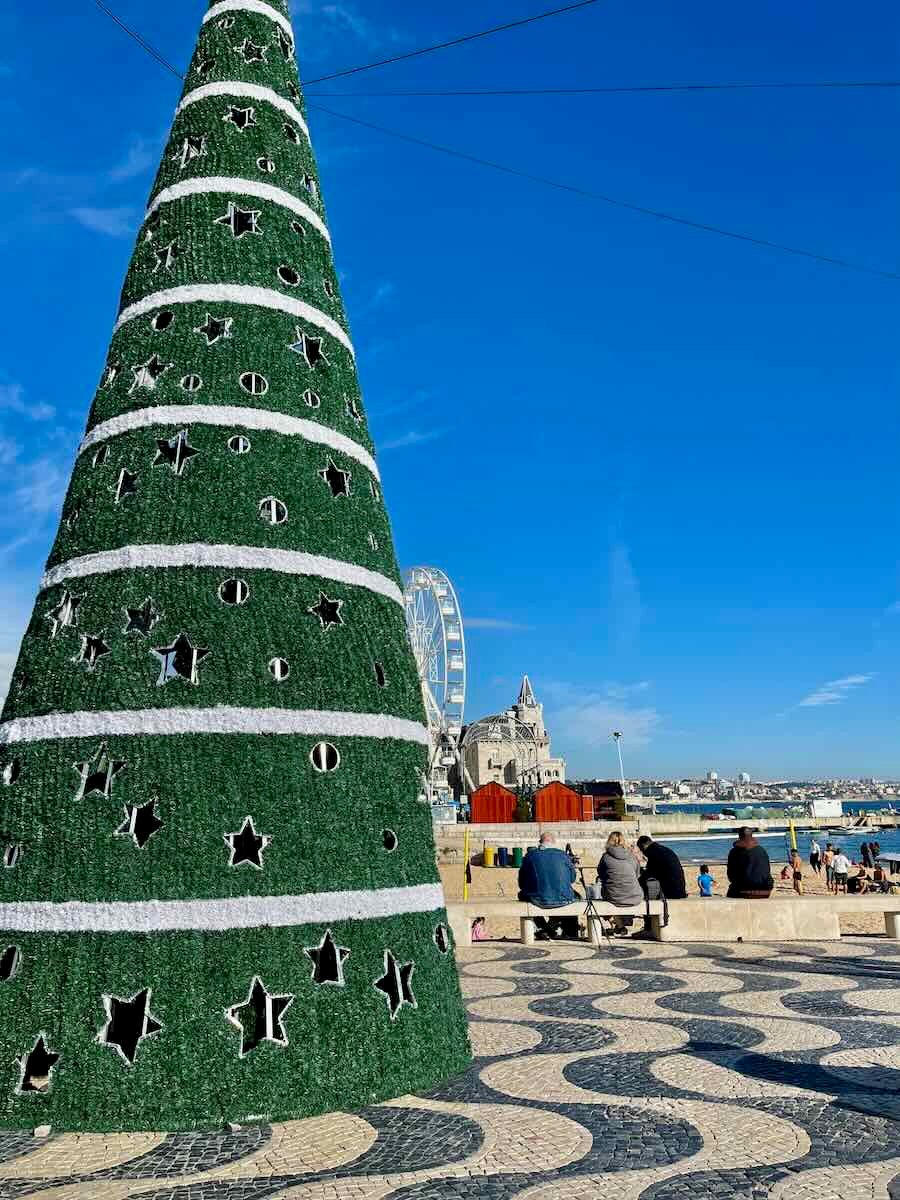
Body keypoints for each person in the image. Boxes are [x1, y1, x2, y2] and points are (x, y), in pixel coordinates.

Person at [518, 831, 579, 940]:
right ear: (554, 842)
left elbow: (521, 883)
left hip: (538, 899)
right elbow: (572, 879)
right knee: (574, 896)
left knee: (523, 895)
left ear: (540, 843)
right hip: (563, 899)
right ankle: (564, 930)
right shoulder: (563, 855)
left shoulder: (530, 856)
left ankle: (545, 927)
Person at [597, 831, 643, 936]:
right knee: (624, 891)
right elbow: (637, 875)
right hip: (635, 896)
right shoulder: (631, 856)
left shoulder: (605, 857)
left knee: (606, 892)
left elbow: (601, 874)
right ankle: (622, 925)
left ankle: (620, 925)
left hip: (615, 897)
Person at [726, 827, 774, 899]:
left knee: (731, 893)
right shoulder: (762, 850)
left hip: (743, 891)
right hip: (765, 890)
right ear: (752, 835)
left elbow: (731, 875)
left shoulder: (735, 852)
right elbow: (767, 870)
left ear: (739, 836)